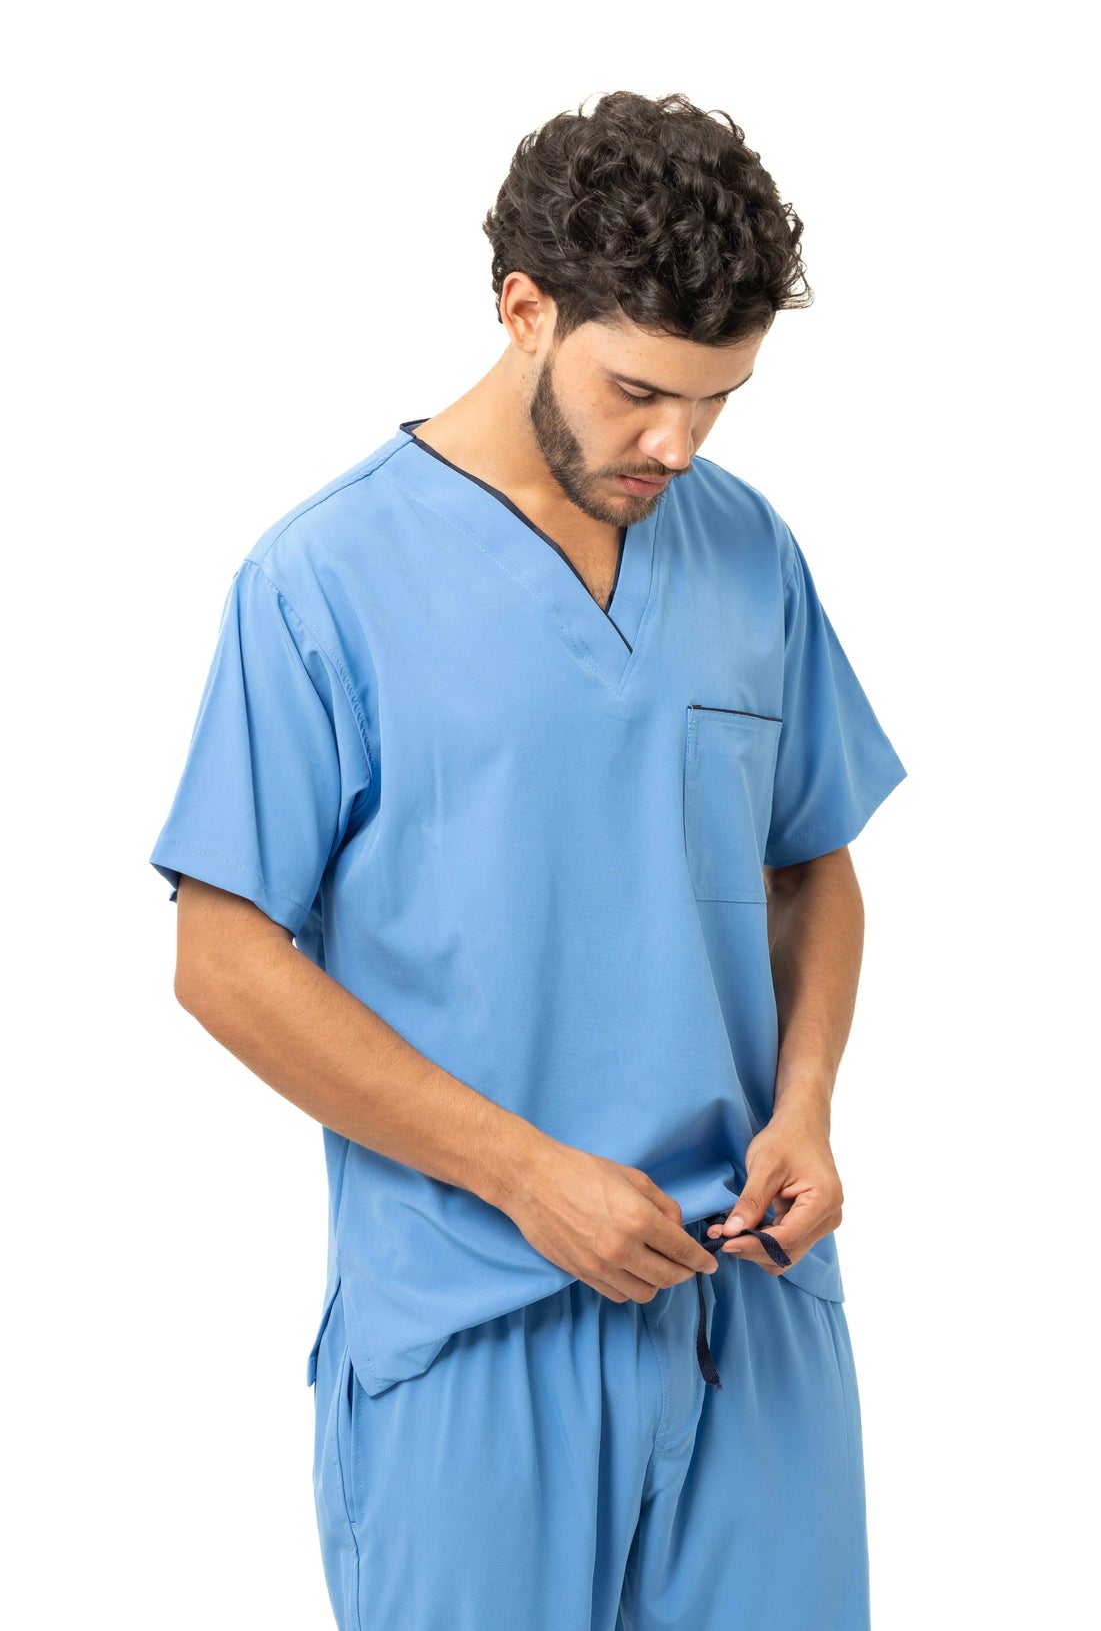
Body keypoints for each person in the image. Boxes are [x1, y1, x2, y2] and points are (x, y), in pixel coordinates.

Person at [149, 88, 907, 1631]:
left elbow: (806, 864)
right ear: (523, 308)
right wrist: (520, 1173)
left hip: (745, 1311)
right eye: (639, 390)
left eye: (717, 399)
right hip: (475, 1322)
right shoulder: (324, 580)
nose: (674, 442)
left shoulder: (746, 550)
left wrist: (808, 1105)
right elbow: (221, 959)